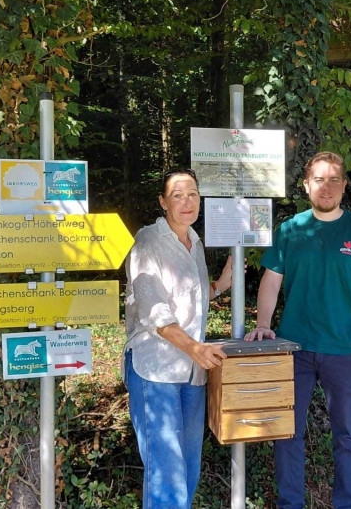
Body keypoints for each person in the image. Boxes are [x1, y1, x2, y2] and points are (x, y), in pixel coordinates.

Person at [245, 151, 351, 509]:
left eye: (334, 179)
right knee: (287, 434)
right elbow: (270, 281)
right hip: (293, 350)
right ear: (307, 185)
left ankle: (347, 503)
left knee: (347, 437)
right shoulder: (290, 230)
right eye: (319, 179)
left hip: (347, 351)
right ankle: (290, 503)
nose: (327, 187)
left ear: (343, 185)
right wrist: (263, 325)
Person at [123, 169, 234, 509]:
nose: (187, 202)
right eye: (177, 195)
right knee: (167, 475)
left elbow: (192, 299)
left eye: (193, 195)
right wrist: (195, 348)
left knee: (187, 469)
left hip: (190, 371)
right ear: (162, 201)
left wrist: (224, 282)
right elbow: (154, 311)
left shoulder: (194, 241)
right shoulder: (148, 242)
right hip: (154, 370)